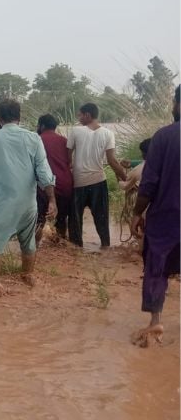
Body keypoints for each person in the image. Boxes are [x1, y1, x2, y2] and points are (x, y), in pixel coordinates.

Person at [0, 100, 57, 296]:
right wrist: (52, 200)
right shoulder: (34, 138)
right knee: (28, 243)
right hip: (27, 202)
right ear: (19, 117)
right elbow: (44, 173)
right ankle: (27, 275)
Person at [129, 86, 180, 347]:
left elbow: (148, 184)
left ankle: (155, 321)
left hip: (167, 218)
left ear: (177, 104)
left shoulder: (163, 137)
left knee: (157, 268)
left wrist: (137, 213)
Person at [67, 103, 127, 248]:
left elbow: (68, 158)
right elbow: (112, 161)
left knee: (75, 219)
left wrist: (71, 167)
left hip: (79, 182)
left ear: (87, 115)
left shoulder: (75, 131)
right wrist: (125, 178)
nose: (79, 118)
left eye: (80, 115)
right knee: (102, 218)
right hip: (99, 182)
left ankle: (76, 249)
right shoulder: (108, 133)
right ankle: (105, 246)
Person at [35, 114, 74, 244]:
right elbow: (70, 161)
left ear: (42, 126)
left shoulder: (36, 140)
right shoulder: (64, 141)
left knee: (39, 220)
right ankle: (61, 243)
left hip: (43, 186)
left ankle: (34, 249)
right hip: (65, 184)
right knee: (62, 219)